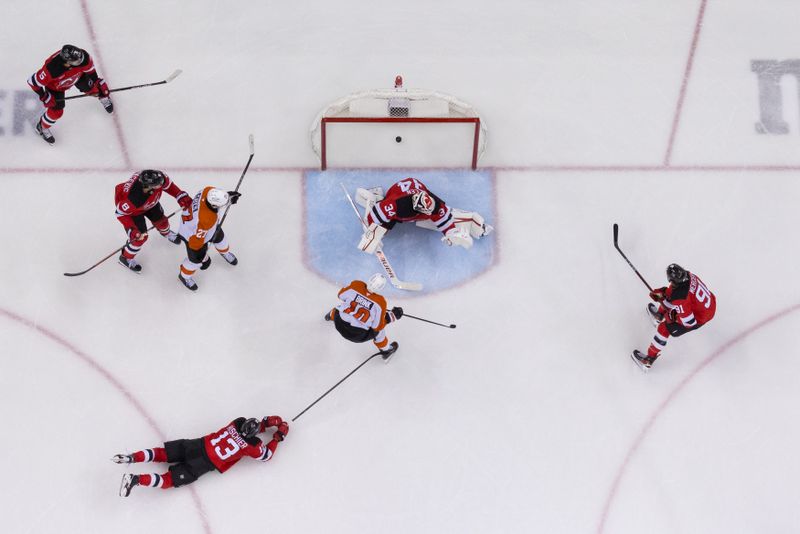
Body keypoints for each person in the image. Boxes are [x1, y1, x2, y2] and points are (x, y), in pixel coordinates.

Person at [114, 416, 289, 497]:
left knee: (161, 453)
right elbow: (267, 455)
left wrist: (266, 422)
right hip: (203, 463)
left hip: (196, 445)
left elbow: (255, 427)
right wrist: (277, 438)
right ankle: (136, 479)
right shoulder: (252, 446)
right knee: (169, 480)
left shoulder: (237, 422)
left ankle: (131, 457)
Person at [354, 177, 493, 253]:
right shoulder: (396, 205)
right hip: (397, 194)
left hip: (417, 191)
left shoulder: (435, 204)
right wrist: (371, 232)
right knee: (383, 230)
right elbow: (374, 216)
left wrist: (451, 233)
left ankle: (475, 224)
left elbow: (445, 219)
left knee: (444, 215)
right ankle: (375, 196)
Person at [631, 264, 717, 370]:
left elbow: (689, 322)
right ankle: (659, 315)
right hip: (707, 305)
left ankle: (648, 360)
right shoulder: (689, 275)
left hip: (699, 317)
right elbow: (675, 292)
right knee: (672, 298)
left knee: (664, 328)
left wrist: (672, 316)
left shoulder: (681, 298)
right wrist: (663, 293)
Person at [28, 44, 113, 144]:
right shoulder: (52, 69)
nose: (80, 62)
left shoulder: (83, 57)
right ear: (67, 63)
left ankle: (102, 97)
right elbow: (32, 82)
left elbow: (90, 70)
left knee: (95, 89)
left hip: (78, 76)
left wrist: (97, 81)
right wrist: (44, 96)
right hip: (56, 88)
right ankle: (41, 127)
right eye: (77, 62)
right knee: (56, 112)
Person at [115, 170, 192, 273]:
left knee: (163, 222)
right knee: (139, 238)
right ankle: (126, 257)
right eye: (158, 185)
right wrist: (132, 229)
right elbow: (120, 213)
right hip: (133, 212)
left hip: (150, 203)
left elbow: (169, 186)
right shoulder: (133, 198)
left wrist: (180, 196)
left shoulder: (158, 177)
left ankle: (167, 233)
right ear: (147, 187)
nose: (161, 185)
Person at [176, 186, 241, 291]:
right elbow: (195, 243)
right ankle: (184, 276)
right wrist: (203, 257)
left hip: (198, 225)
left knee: (221, 241)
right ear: (214, 205)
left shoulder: (207, 190)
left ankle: (225, 253)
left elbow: (216, 200)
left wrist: (228, 197)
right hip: (191, 236)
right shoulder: (207, 219)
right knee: (195, 262)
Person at [325, 274, 401, 360]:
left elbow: (340, 295)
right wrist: (390, 316)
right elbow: (377, 327)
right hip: (357, 336)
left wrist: (357, 298)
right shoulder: (380, 303)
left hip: (339, 323)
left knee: (341, 308)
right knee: (380, 331)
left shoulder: (356, 284)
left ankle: (330, 316)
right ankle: (386, 350)